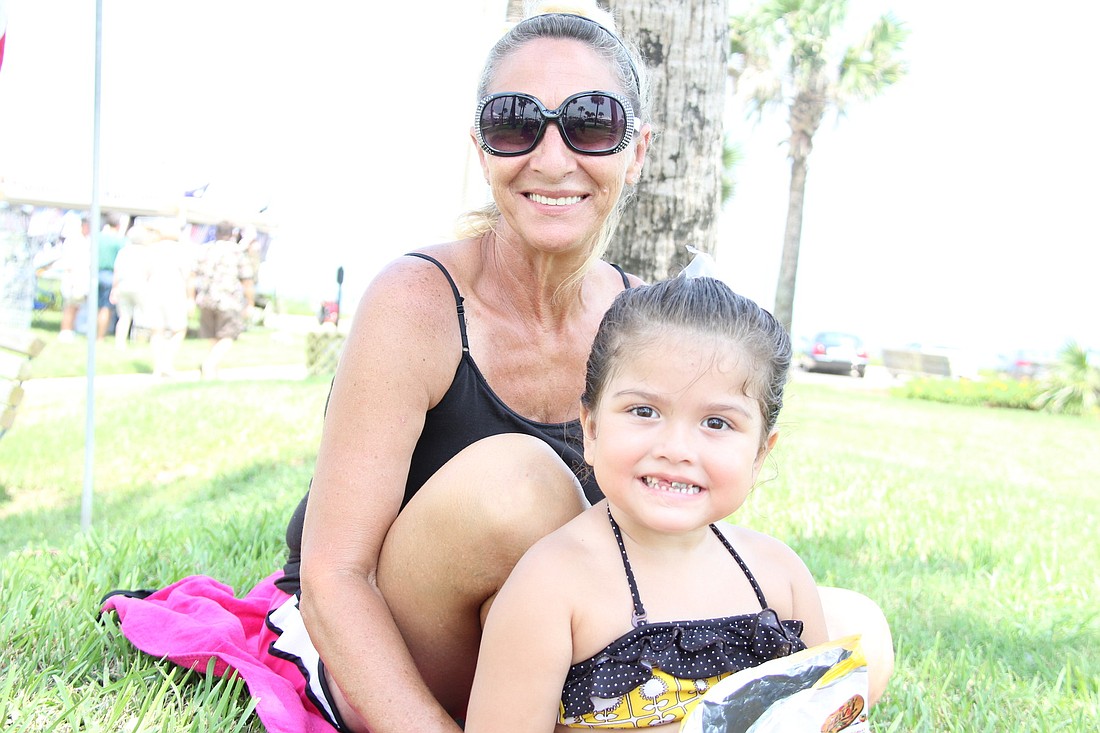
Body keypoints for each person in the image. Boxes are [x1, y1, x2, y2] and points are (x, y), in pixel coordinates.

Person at [101, 4, 891, 733]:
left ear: (636, 149)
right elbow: (335, 575)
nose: (553, 157)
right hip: (407, 643)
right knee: (522, 483)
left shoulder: (644, 322)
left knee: (854, 626)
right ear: (482, 150)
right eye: (515, 124)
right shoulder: (416, 301)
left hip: (578, 651)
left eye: (591, 122)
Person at [464, 276, 826, 731]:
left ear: (759, 454)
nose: (676, 448)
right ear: (591, 429)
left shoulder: (782, 577)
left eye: (716, 422)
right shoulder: (551, 586)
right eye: (644, 412)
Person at [191, 220, 254, 378]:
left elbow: (192, 276)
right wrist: (250, 304)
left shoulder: (205, 249)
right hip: (228, 299)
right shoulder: (237, 251)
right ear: (232, 233)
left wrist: (190, 298)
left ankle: (211, 371)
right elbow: (247, 280)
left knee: (213, 336)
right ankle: (209, 364)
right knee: (228, 335)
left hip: (205, 299)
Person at [138, 223, 194, 377]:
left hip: (154, 289)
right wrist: (191, 298)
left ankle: (158, 366)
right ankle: (167, 363)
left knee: (157, 331)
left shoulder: (151, 249)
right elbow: (189, 277)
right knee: (179, 329)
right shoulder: (182, 250)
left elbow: (144, 273)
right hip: (175, 290)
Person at [110, 224, 155, 349]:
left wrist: (114, 288)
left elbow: (117, 271)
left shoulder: (124, 251)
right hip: (140, 286)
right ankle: (141, 341)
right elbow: (149, 271)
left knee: (124, 316)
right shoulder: (147, 252)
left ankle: (120, 343)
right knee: (144, 315)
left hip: (123, 286)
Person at [57, 214, 91, 342]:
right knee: (70, 307)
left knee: (75, 307)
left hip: (80, 279)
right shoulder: (74, 240)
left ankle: (69, 330)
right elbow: (70, 263)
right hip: (73, 279)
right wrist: (73, 281)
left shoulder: (83, 239)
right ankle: (65, 331)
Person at [96, 211, 129, 340]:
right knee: (106, 308)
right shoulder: (119, 240)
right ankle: (100, 336)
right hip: (111, 275)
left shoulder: (98, 237)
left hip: (96, 273)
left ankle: (93, 333)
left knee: (96, 306)